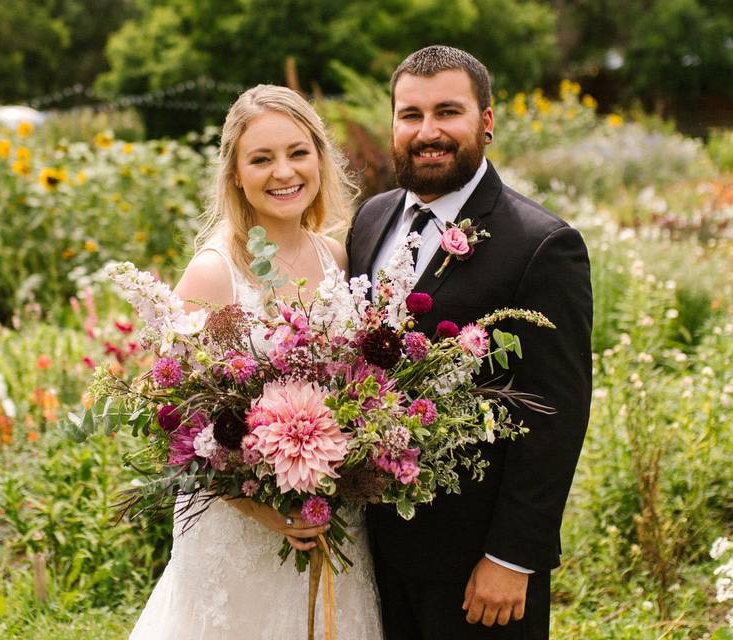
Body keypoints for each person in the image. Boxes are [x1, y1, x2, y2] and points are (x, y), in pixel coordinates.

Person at [345, 46, 593, 639]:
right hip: (370, 552)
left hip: (477, 570)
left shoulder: (541, 245)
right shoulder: (369, 220)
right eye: (410, 115)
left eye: (447, 112)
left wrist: (513, 558)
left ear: (486, 121)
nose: (427, 132)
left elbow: (555, 414)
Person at [129, 84, 384, 640]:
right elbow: (174, 426)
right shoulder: (214, 272)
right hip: (240, 535)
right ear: (236, 174)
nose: (283, 172)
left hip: (330, 523)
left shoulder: (334, 255)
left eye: (297, 152)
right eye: (261, 158)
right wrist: (265, 512)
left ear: (319, 157)